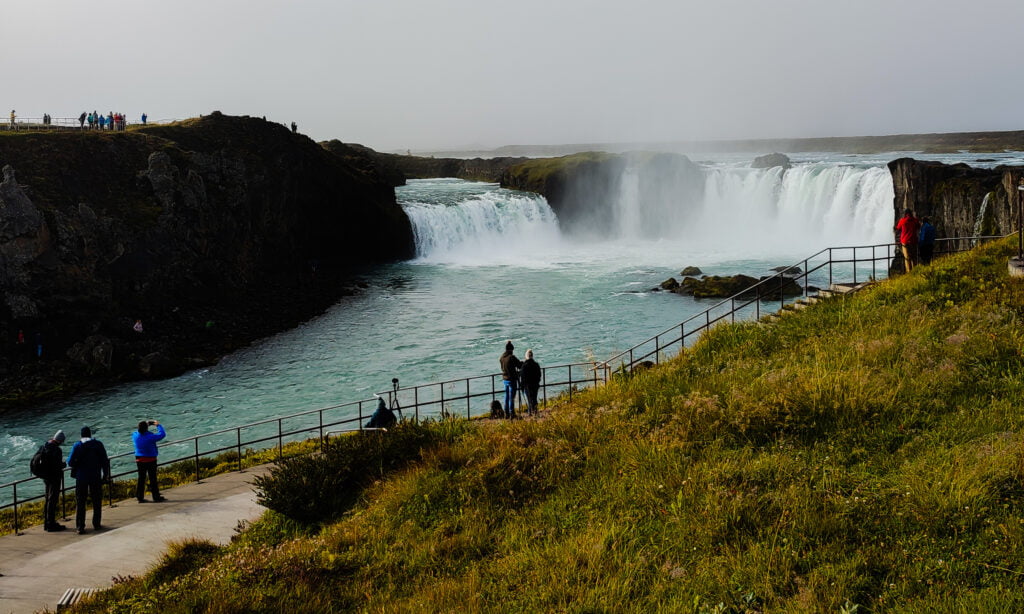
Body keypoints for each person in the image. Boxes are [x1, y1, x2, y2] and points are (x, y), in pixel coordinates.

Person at [67, 427, 110, 534]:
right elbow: (105, 461)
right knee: (96, 500)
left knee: (81, 502)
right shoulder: (98, 444)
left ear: (81, 435)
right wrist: (105, 475)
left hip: (81, 477)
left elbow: (70, 462)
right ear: (90, 434)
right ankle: (96, 524)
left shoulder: (77, 445)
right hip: (95, 476)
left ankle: (80, 527)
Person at [37, 430, 68, 531]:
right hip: (54, 478)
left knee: (47, 499)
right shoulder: (57, 450)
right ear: (60, 441)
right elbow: (57, 466)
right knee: (53, 500)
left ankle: (46, 523)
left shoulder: (45, 446)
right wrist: (64, 464)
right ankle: (51, 524)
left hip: (46, 477)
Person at [133, 419, 166, 502]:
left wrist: (146, 424)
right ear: (146, 428)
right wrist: (158, 425)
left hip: (139, 459)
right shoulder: (150, 437)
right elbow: (162, 434)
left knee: (141, 479)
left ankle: (139, 497)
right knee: (153, 479)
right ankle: (156, 496)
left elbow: (138, 431)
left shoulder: (135, 436)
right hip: (150, 459)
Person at [499, 340, 521, 419]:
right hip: (512, 379)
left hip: (505, 379)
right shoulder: (511, 357)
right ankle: (512, 413)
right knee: (512, 397)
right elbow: (519, 365)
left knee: (507, 396)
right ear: (511, 350)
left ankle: (506, 413)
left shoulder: (502, 357)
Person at [520, 349, 542, 416]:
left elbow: (522, 377)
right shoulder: (536, 364)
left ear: (526, 356)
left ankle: (530, 412)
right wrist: (537, 382)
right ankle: (535, 411)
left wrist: (522, 386)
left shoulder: (524, 366)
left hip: (528, 385)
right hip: (535, 384)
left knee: (529, 399)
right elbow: (539, 374)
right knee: (534, 398)